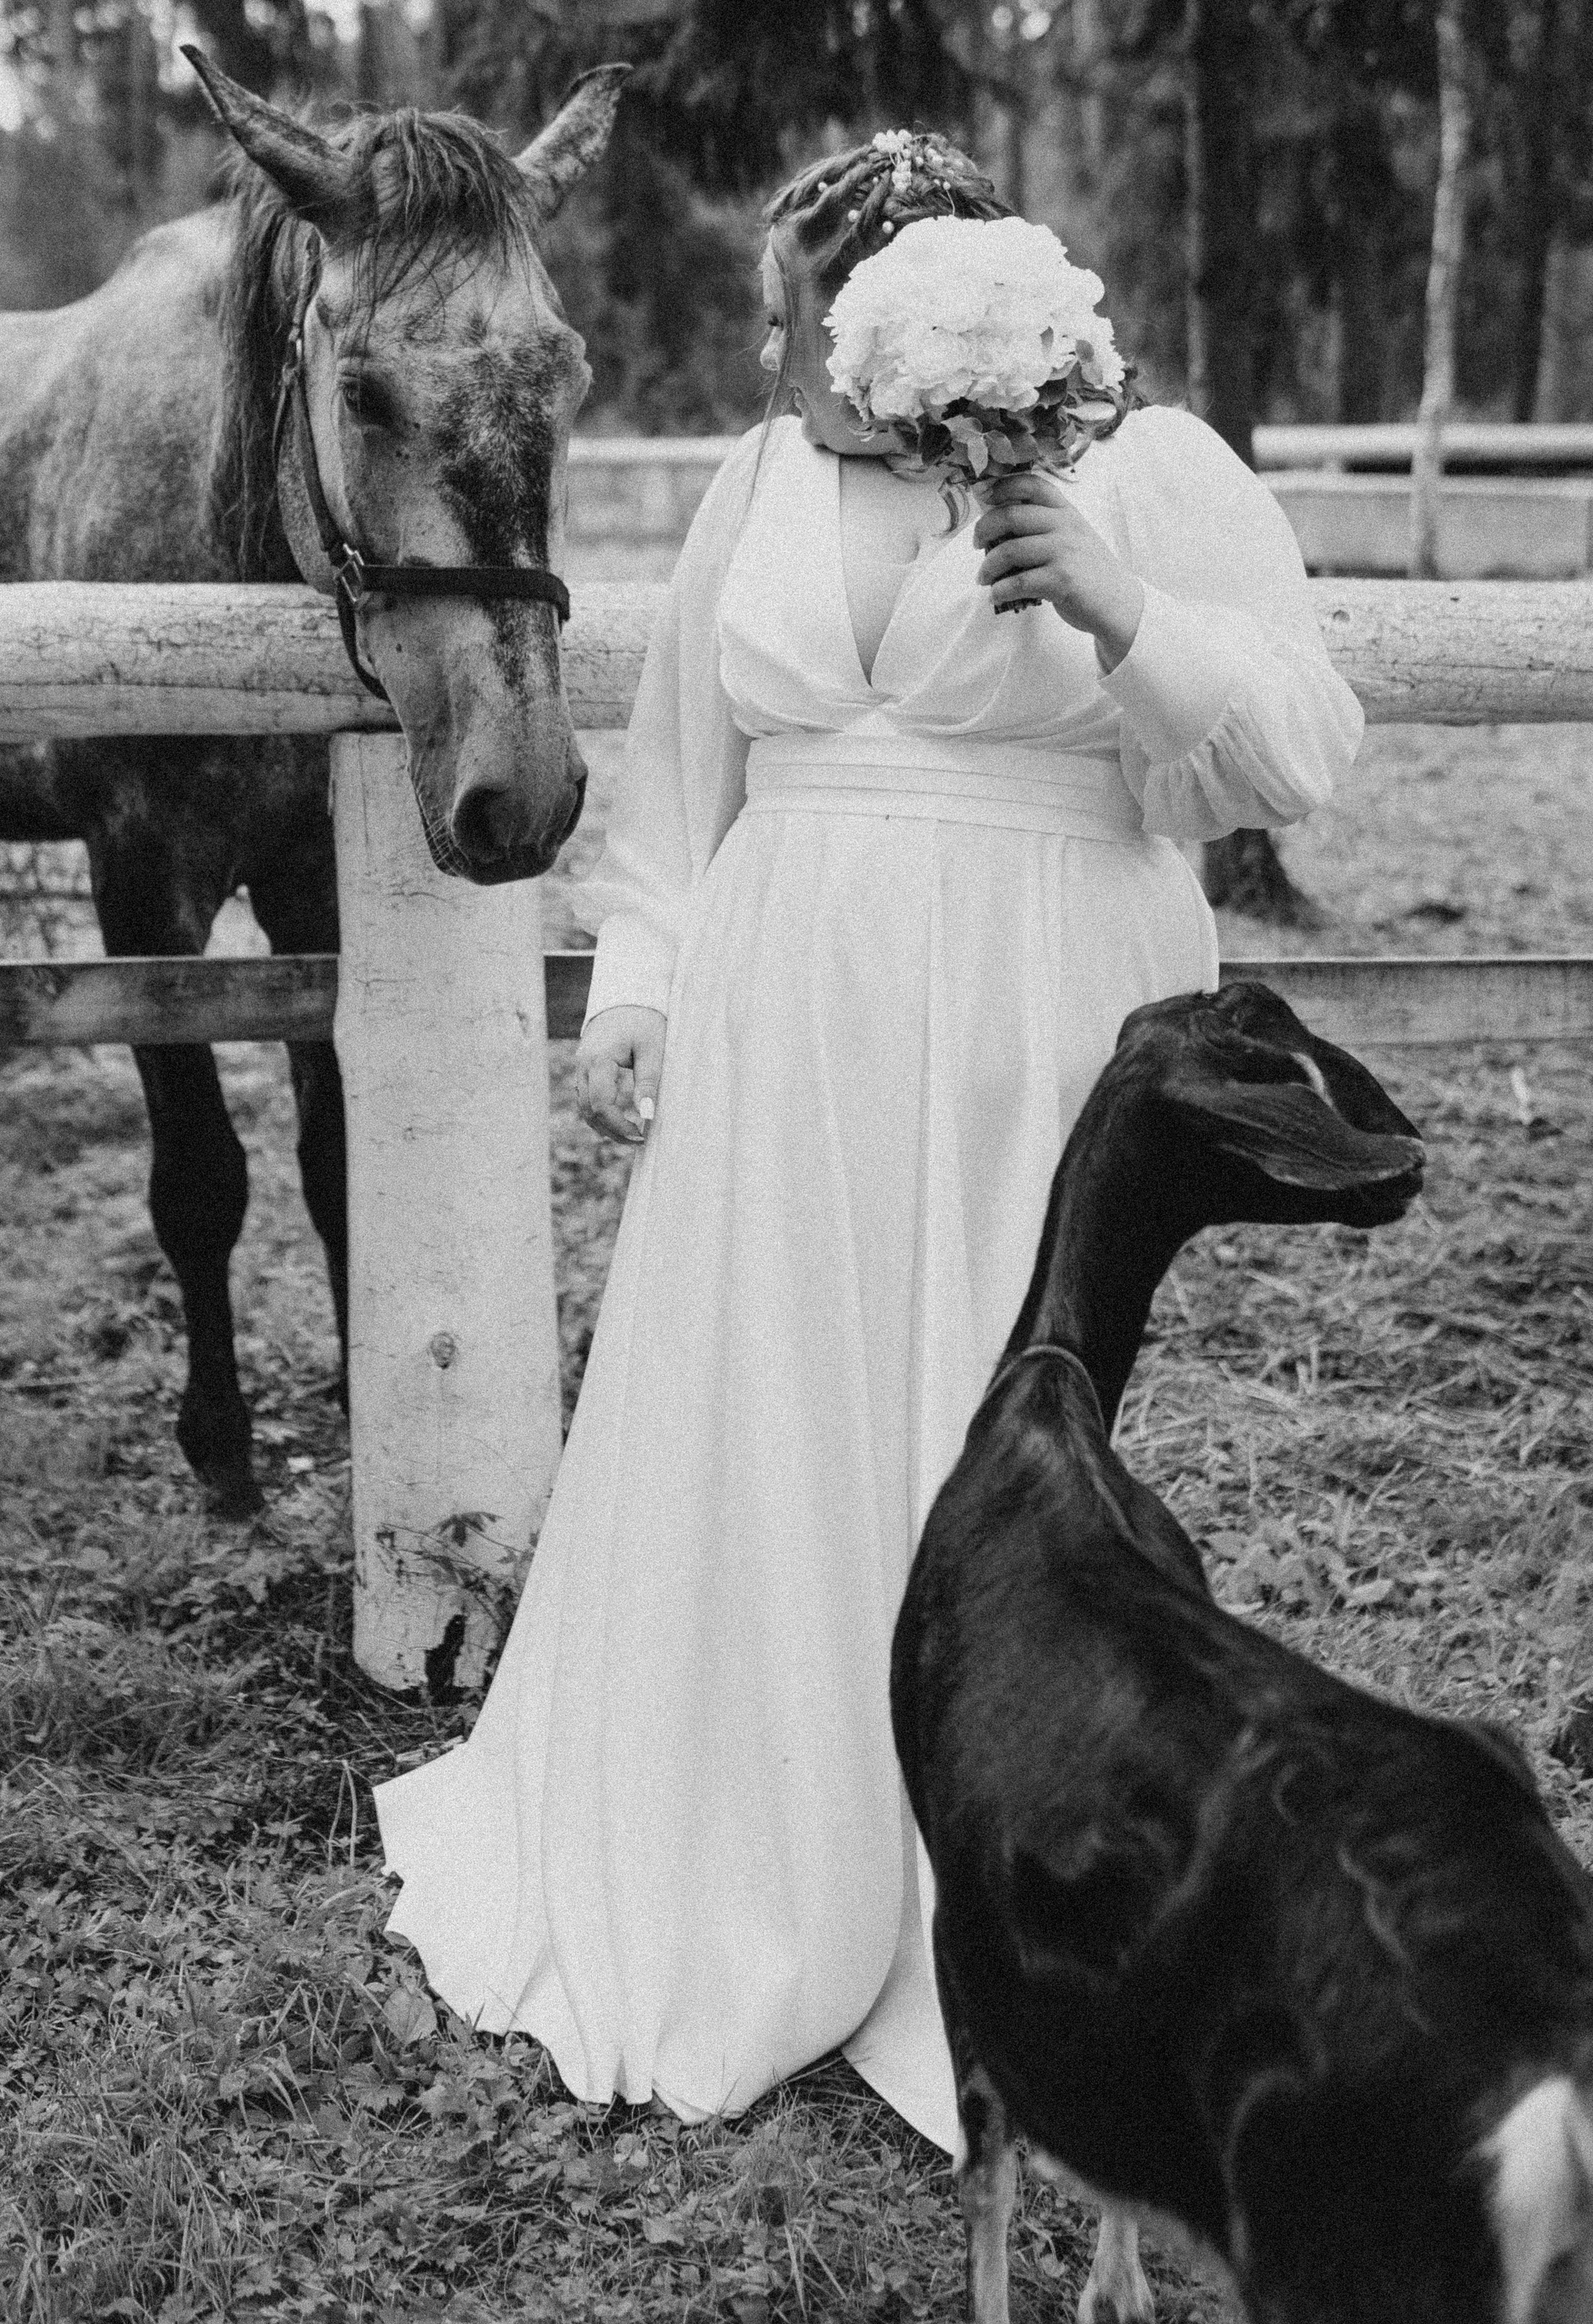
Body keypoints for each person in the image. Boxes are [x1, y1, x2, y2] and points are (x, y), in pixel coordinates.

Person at [372, 136, 1363, 2153]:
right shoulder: (761, 480)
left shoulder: (1141, 475)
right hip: (781, 1027)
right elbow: (686, 775)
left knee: (980, 1428)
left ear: (918, 324)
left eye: (794, 317)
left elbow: (1291, 754)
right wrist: (642, 978)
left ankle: (983, 1879)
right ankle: (746, 1839)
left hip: (1023, 1015)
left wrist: (1121, 607)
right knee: (777, 1409)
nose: (766, 355)